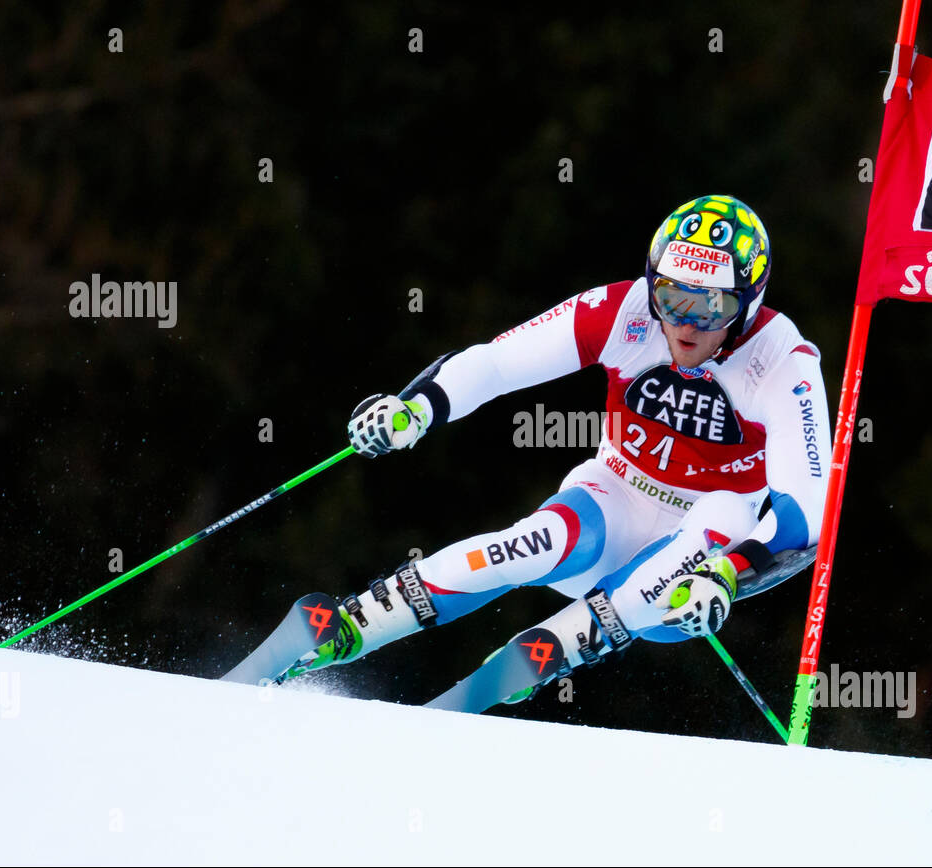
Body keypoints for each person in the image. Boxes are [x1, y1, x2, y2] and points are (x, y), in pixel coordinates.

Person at [225, 195, 833, 712]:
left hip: (698, 549)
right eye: (672, 299)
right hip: (616, 493)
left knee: (700, 538)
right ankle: (350, 624)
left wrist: (728, 574)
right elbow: (497, 362)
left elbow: (804, 512)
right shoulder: (626, 312)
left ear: (749, 301)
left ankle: (504, 676)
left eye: (711, 307)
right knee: (535, 541)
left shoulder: (782, 362)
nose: (685, 324)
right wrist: (415, 410)